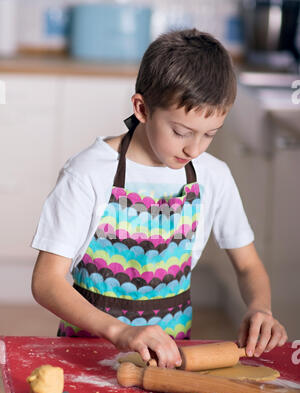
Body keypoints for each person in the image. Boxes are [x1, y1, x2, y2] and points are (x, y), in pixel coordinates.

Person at [31, 28, 287, 368]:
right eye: (181, 132)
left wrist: (260, 308)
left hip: (170, 363)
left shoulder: (212, 176)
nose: (194, 148)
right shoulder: (88, 173)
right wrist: (120, 332)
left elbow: (249, 265)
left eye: (210, 134)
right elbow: (46, 281)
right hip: (86, 359)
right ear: (142, 108)